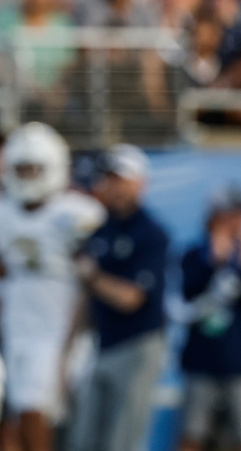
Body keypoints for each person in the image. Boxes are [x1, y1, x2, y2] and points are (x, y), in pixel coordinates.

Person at [0, 123, 105, 451]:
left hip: (59, 325)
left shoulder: (78, 213)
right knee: (17, 414)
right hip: (16, 323)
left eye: (35, 169)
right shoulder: (4, 212)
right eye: (22, 168)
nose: (28, 176)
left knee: (36, 410)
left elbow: (94, 272)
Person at [68, 144, 169, 451]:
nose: (114, 186)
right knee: (83, 437)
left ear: (140, 182)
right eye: (110, 178)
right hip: (102, 343)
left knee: (121, 439)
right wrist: (68, 347)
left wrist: (92, 276)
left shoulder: (151, 233)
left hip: (137, 343)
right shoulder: (100, 229)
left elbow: (131, 298)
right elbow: (86, 296)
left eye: (122, 178)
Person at [178, 185, 241, 451]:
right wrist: (215, 262)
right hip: (202, 360)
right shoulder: (194, 256)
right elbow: (189, 295)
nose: (240, 223)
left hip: (239, 361)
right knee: (192, 433)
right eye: (234, 216)